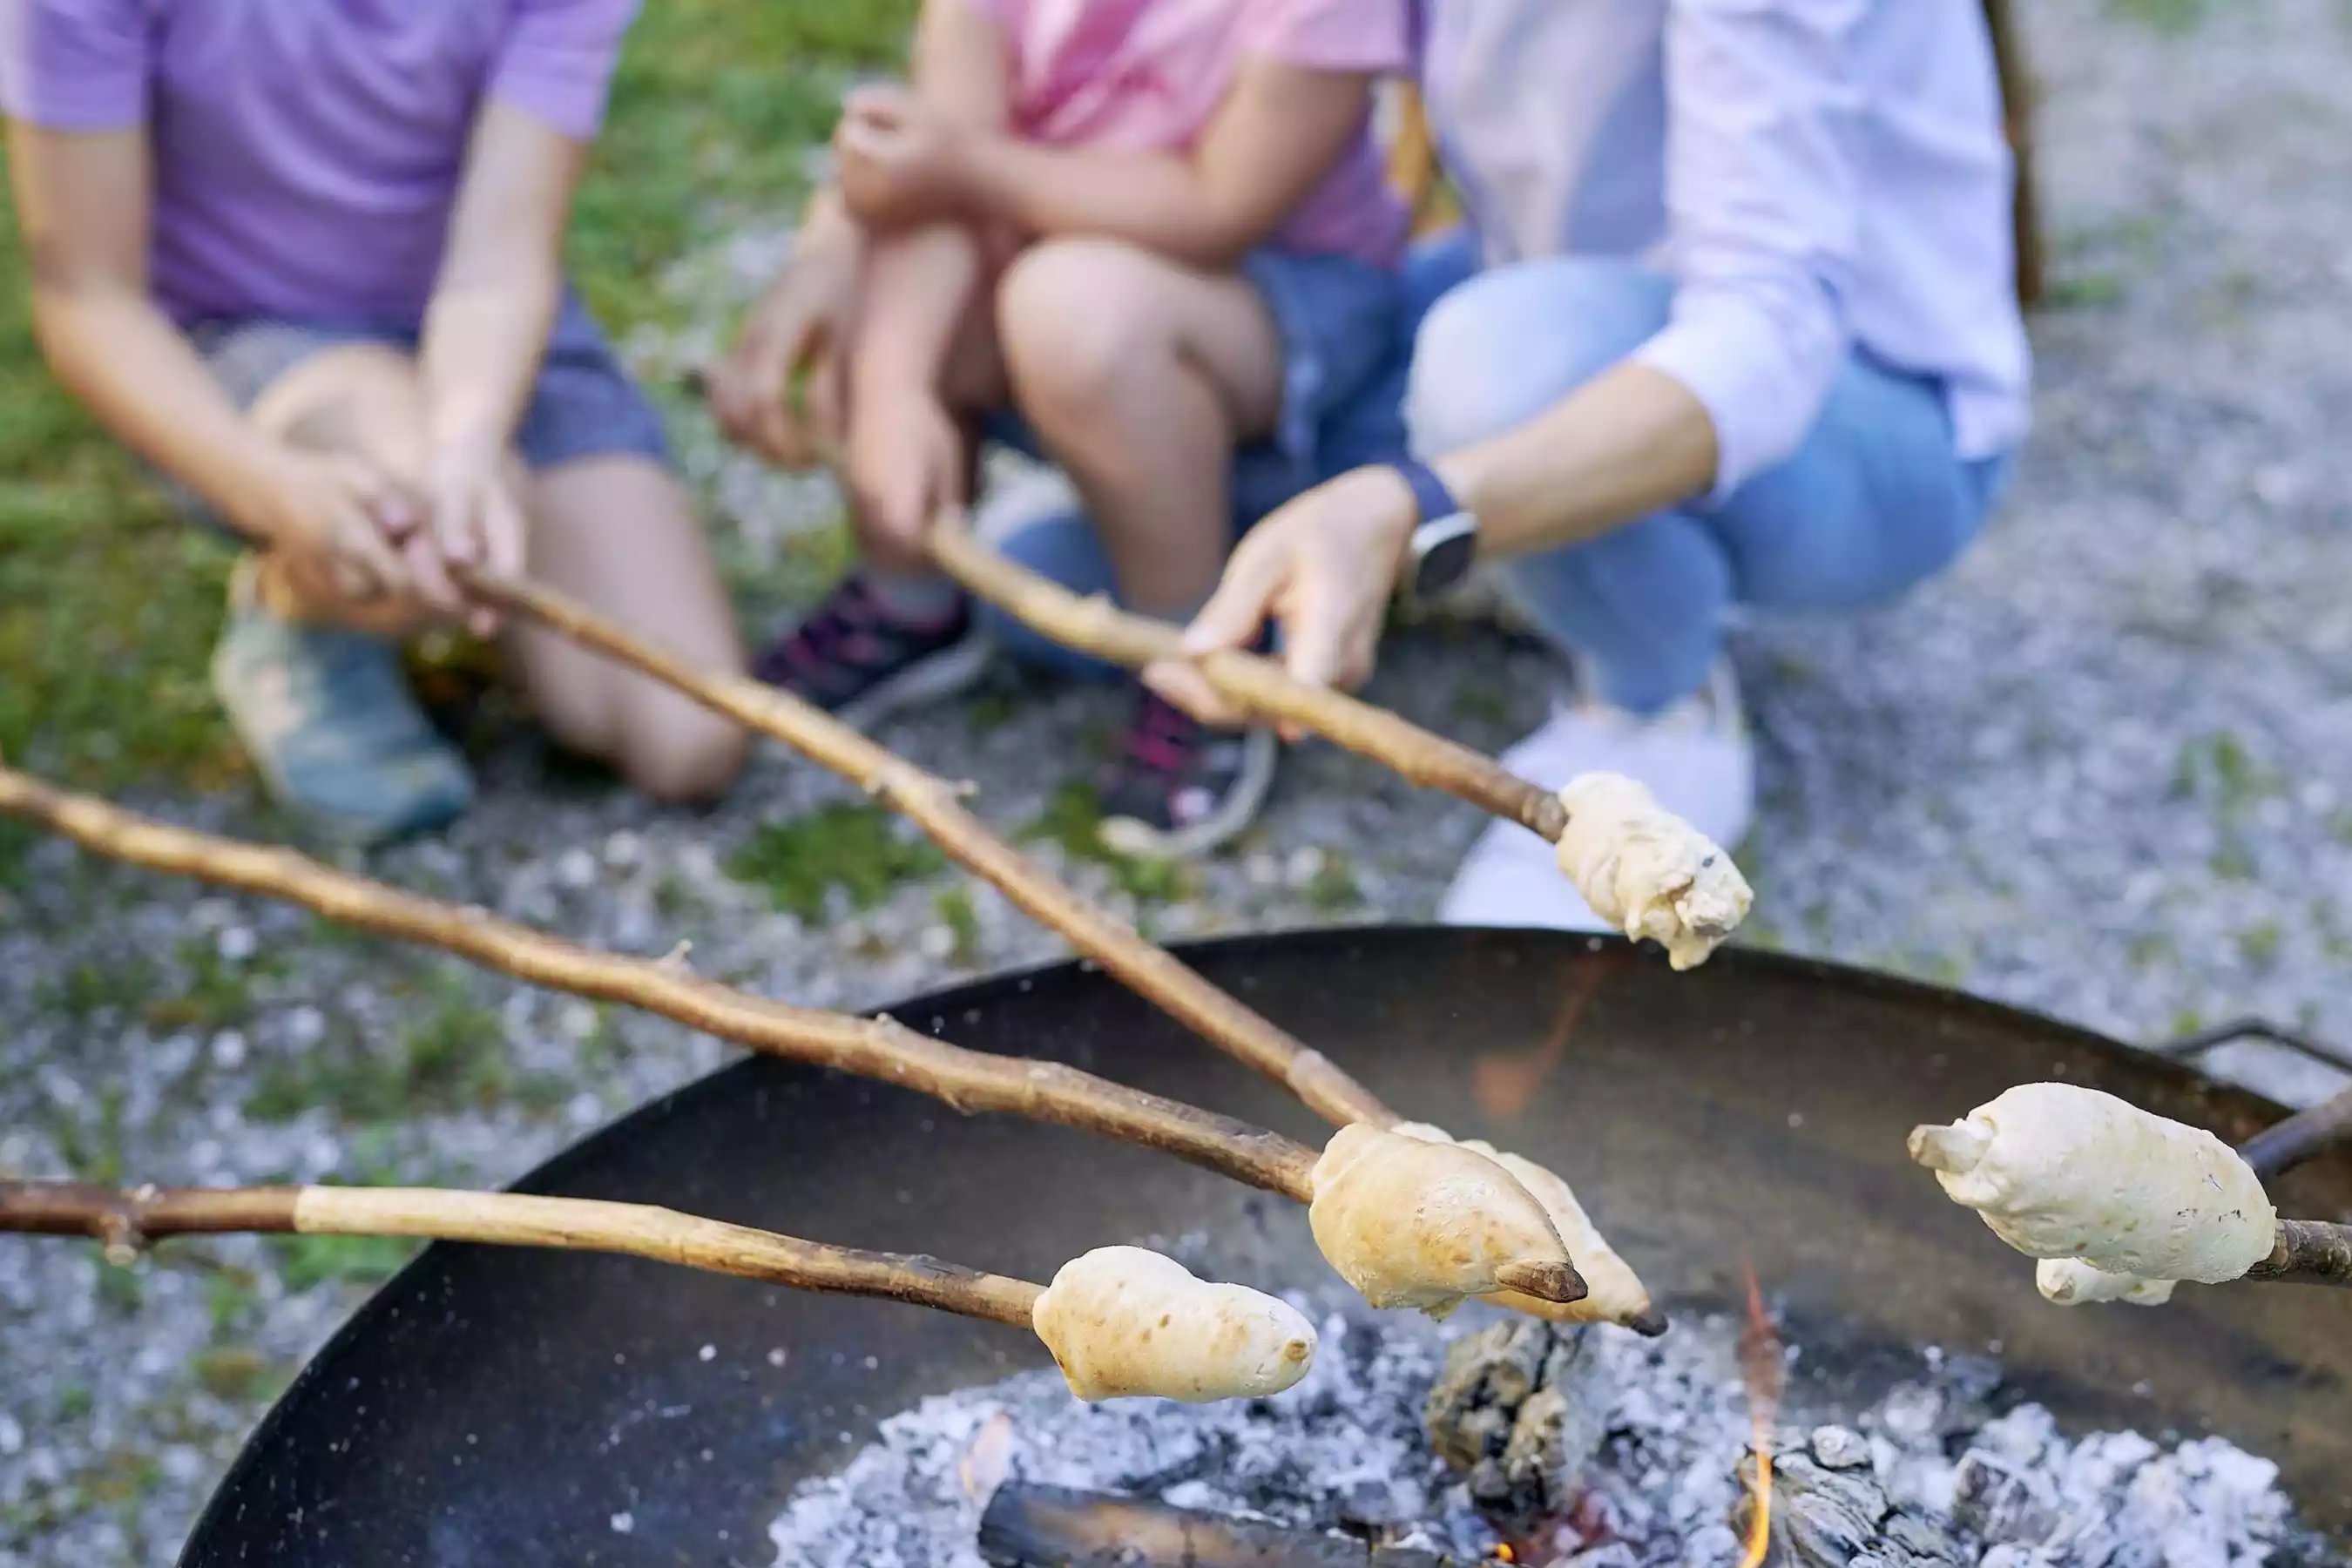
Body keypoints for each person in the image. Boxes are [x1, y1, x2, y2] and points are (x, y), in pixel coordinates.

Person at [1150, 0, 2033, 928]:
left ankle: (1654, 710)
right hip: (1535, 294)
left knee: (1487, 368)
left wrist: (1422, 504)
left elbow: (1770, 334)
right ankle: (1485, 543)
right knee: (1141, 521)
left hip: (1868, 406)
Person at [0, 0, 749, 846]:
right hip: (242, 334)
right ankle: (297, 610)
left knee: (687, 736)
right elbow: (88, 300)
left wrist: (471, 441)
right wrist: (272, 489)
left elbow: (500, 262)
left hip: (477, 322)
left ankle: (415, 557)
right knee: (405, 510)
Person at [708, 0, 1409, 860]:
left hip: (1275, 299)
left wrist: (968, 166)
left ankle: (1204, 655)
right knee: (873, 235)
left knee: (1074, 308)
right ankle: (909, 597)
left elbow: (1218, 205)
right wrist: (896, 384)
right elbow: (932, 166)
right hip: (1046, 236)